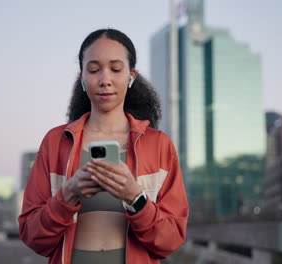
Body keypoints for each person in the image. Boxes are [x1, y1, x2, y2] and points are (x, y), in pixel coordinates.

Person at [19, 28, 188, 264]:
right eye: (94, 69)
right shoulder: (55, 142)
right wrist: (68, 195)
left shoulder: (159, 145)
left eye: (116, 69)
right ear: (82, 78)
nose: (105, 79)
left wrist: (135, 197)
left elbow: (170, 240)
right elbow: (32, 235)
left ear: (131, 76)